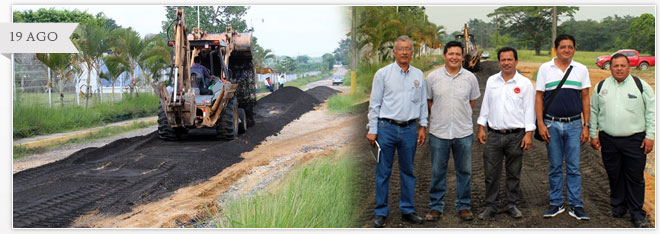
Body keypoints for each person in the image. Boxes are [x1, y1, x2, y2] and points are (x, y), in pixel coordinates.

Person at [366, 35, 428, 228]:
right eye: (400, 49)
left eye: (407, 49)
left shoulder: (418, 75)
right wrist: (372, 129)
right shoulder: (382, 74)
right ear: (394, 52)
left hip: (409, 129)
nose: (404, 52)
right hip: (386, 129)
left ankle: (408, 210)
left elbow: (422, 103)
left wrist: (423, 126)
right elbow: (374, 104)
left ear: (412, 52)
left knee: (408, 171)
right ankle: (381, 212)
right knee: (383, 171)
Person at [589, 53, 655, 228]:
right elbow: (594, 110)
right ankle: (618, 207)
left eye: (622, 66)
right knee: (614, 175)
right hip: (608, 140)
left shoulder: (641, 86)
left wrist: (650, 136)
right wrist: (593, 134)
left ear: (629, 67)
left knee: (634, 177)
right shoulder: (601, 86)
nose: (619, 69)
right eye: (615, 66)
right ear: (610, 67)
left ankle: (637, 214)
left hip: (635, 140)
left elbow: (651, 112)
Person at [535, 34, 591, 220]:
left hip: (575, 125)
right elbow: (539, 97)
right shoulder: (545, 68)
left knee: (574, 167)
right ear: (556, 49)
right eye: (562, 47)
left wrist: (586, 125)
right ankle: (556, 202)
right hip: (552, 124)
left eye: (570, 47)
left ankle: (576, 205)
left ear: (574, 49)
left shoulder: (581, 69)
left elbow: (585, 98)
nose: (566, 50)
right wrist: (541, 124)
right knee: (555, 166)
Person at [475, 47, 535, 220]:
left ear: (516, 61)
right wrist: (481, 126)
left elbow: (529, 110)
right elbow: (486, 105)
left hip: (516, 135)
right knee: (491, 173)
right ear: (499, 62)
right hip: (494, 135)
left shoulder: (524, 84)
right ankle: (491, 206)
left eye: (510, 59)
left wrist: (529, 133)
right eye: (503, 59)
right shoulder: (492, 81)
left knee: (513, 172)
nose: (506, 62)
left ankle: (511, 204)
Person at [424, 40, 480, 222]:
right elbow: (429, 102)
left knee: (464, 171)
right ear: (444, 56)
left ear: (462, 56)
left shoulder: (470, 78)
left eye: (458, 54)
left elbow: (471, 103)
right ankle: (435, 206)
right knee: (437, 171)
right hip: (439, 133)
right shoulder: (432, 78)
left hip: (463, 132)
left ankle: (463, 206)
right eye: (451, 54)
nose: (454, 57)